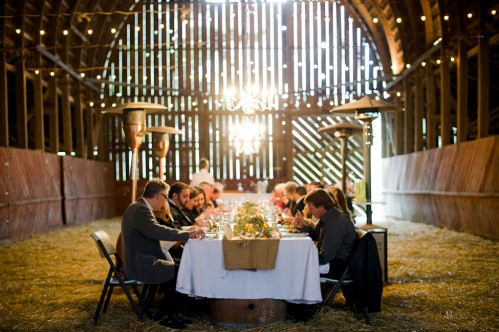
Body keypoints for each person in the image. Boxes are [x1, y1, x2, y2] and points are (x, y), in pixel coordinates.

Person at [121, 178, 204, 329]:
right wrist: (185, 235)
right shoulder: (140, 210)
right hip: (141, 264)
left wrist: (183, 232)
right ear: (159, 195)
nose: (165, 201)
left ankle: (171, 313)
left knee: (183, 265)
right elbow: (156, 231)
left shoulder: (140, 207)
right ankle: (166, 315)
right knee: (180, 270)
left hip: (143, 258)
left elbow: (155, 229)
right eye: (165, 197)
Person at [294, 188, 356, 279]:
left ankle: (310, 293)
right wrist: (302, 227)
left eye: (311, 208)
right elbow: (316, 233)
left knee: (298, 266)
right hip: (332, 261)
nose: (310, 211)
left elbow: (325, 257)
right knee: (297, 261)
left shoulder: (335, 223)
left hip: (337, 266)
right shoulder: (329, 216)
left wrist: (304, 258)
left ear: (321, 206)